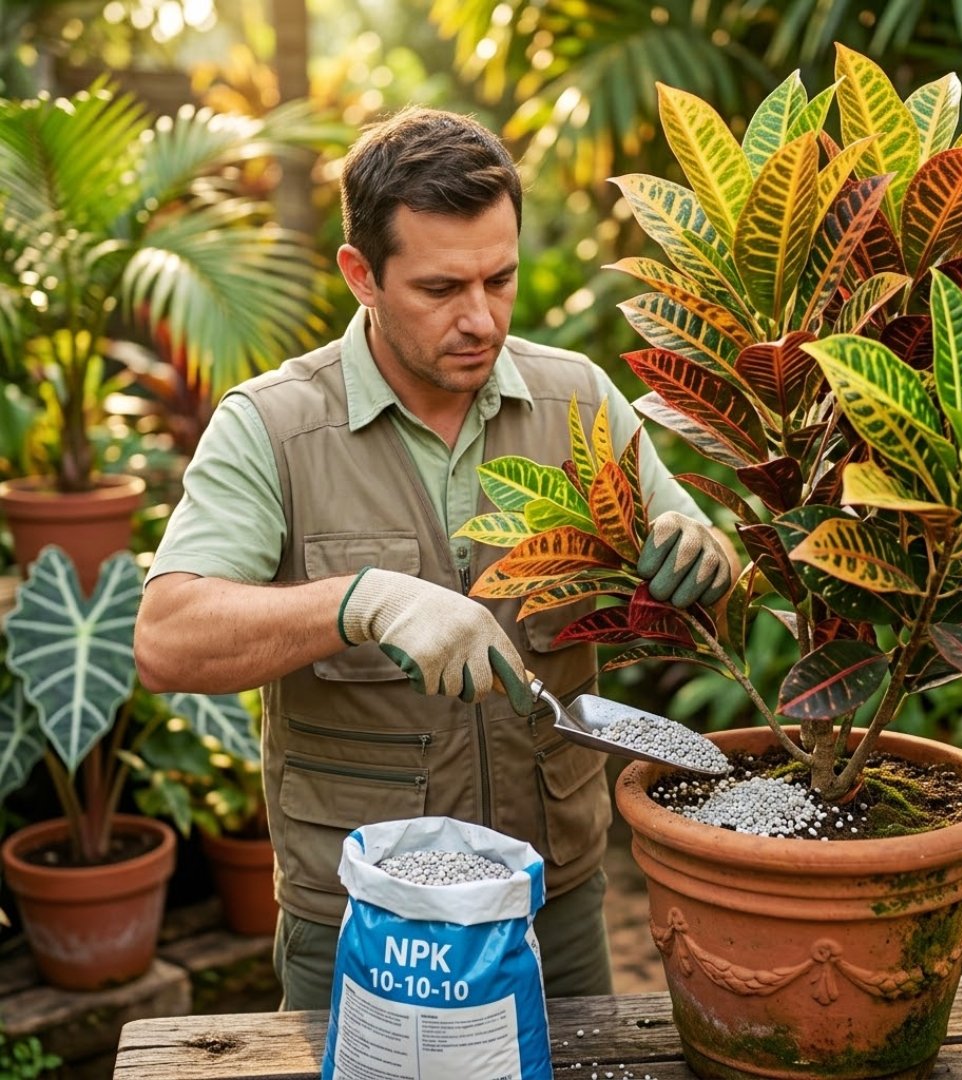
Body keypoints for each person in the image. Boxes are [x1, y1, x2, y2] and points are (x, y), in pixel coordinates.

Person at [134, 105, 735, 1010]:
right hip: (364, 920)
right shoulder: (274, 427)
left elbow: (700, 575)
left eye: (501, 279)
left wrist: (705, 555)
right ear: (361, 276)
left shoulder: (578, 401)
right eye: (441, 288)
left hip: (554, 909)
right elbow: (167, 639)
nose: (480, 319)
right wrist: (361, 602)